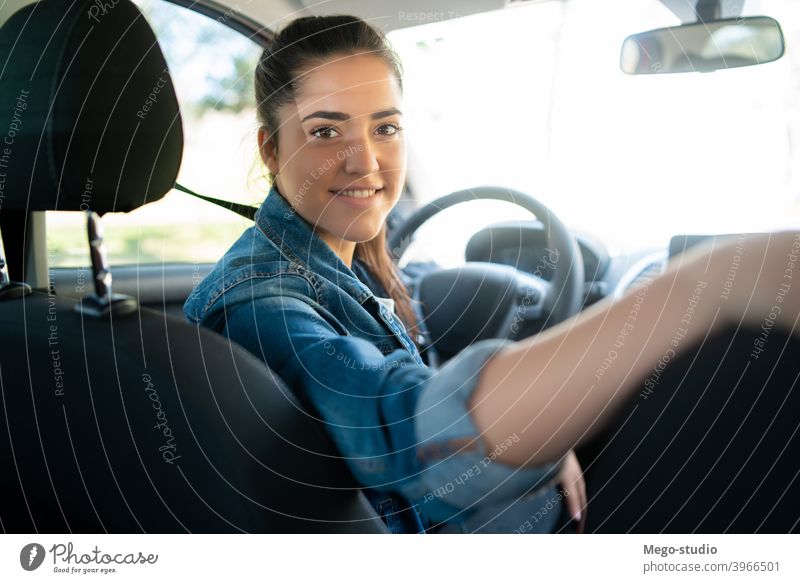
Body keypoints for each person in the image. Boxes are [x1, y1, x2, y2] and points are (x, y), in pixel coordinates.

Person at [184, 15, 800, 534]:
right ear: (271, 149)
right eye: (326, 131)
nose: (365, 159)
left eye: (386, 127)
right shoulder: (262, 302)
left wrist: (533, 432)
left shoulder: (337, 265)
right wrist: (707, 286)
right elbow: (412, 433)